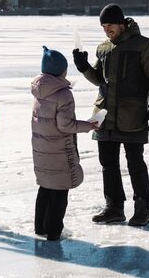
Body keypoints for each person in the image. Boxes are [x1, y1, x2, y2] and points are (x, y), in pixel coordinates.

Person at [72, 3, 149, 226]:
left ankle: (143, 207)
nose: (106, 29)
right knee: (108, 163)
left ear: (122, 24)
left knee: (135, 162)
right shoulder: (103, 48)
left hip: (133, 115)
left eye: (110, 25)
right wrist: (84, 67)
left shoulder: (144, 46)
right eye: (103, 26)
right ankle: (114, 207)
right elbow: (99, 80)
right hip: (105, 115)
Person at [31, 46, 98, 240]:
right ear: (62, 70)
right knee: (59, 191)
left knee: (45, 188)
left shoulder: (39, 91)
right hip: (59, 150)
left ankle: (40, 228)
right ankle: (54, 232)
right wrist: (89, 125)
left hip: (42, 150)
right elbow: (66, 125)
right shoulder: (63, 94)